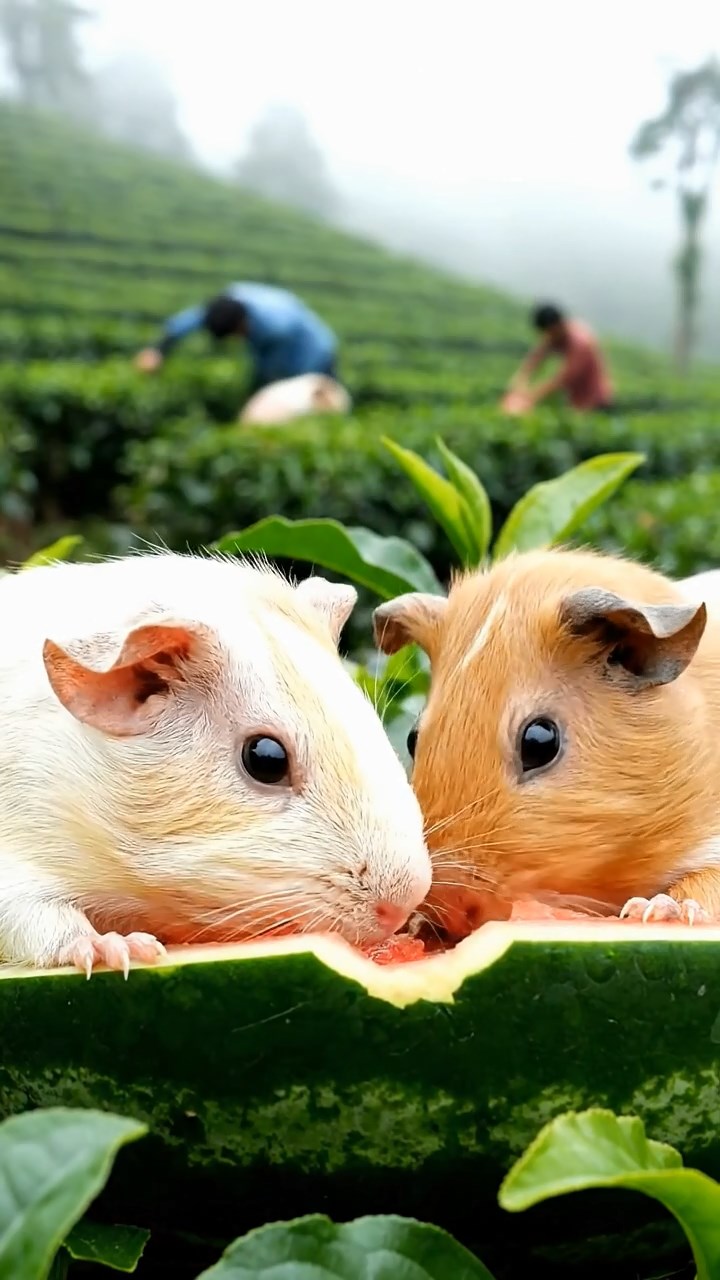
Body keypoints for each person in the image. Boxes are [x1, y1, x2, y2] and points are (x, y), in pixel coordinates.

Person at [134, 282, 340, 399]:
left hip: (314, 353)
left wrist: (256, 395)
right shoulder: (230, 302)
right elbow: (193, 319)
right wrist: (158, 350)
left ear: (241, 326)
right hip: (291, 340)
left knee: (316, 400)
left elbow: (269, 373)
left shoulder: (273, 328)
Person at [502, 302, 613, 414]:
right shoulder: (556, 333)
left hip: (597, 401)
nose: (548, 337)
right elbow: (535, 358)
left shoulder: (581, 342)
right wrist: (520, 382)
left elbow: (563, 379)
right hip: (577, 401)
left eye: (550, 333)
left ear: (557, 325)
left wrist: (528, 398)